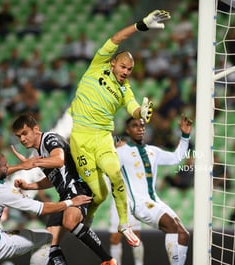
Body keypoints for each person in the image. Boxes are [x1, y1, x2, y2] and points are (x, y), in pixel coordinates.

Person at [69, 9, 171, 248]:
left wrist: (141, 113)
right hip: (81, 138)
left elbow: (133, 107)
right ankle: (90, 216)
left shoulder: (125, 90)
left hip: (103, 137)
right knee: (99, 194)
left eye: (129, 70)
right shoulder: (97, 66)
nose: (125, 72)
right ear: (113, 62)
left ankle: (124, 224)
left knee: (115, 174)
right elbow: (117, 38)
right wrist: (142, 25)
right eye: (123, 66)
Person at [10, 113, 119, 265]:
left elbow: (59, 160)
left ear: (36, 129)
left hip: (78, 188)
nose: (22, 139)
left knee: (69, 222)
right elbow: (53, 178)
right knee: (50, 243)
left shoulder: (49, 139)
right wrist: (29, 185)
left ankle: (108, 261)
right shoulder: (37, 154)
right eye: (19, 136)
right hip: (65, 196)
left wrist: (32, 164)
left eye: (25, 133)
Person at [114, 115, 192, 265]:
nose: (140, 128)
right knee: (171, 225)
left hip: (154, 200)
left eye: (142, 126)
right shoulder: (121, 152)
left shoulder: (153, 151)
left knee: (183, 235)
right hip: (140, 204)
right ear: (128, 130)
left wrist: (185, 136)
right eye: (135, 126)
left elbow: (177, 157)